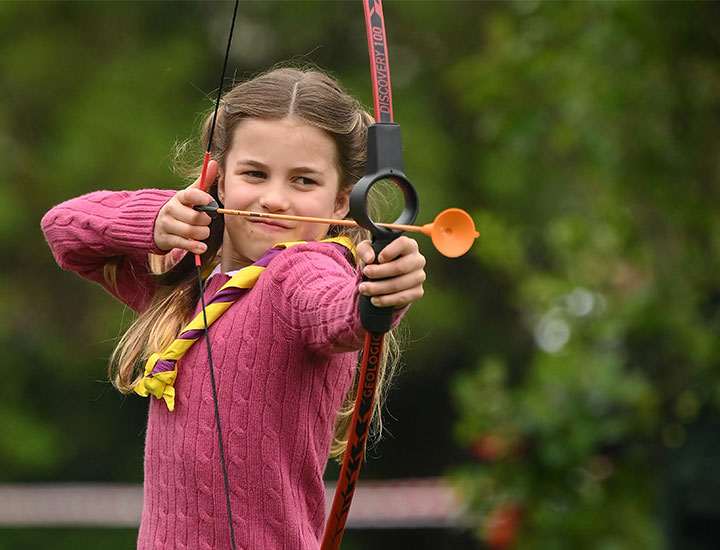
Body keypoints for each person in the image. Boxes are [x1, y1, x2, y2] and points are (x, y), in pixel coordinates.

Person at [41, 67, 426, 550]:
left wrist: (381, 292)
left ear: (344, 200)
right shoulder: (183, 279)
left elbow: (338, 313)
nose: (274, 199)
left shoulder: (302, 271)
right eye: (254, 173)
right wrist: (159, 218)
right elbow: (64, 230)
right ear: (217, 178)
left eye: (304, 181)